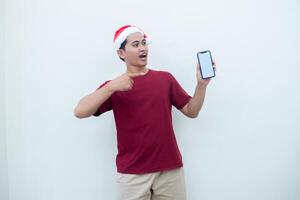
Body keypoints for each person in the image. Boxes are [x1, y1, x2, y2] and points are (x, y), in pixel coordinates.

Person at [74, 25, 216, 200]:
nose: (142, 48)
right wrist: (111, 87)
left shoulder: (165, 79)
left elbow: (191, 111)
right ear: (121, 53)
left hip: (170, 171)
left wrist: (202, 84)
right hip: (132, 175)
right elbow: (80, 111)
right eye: (135, 44)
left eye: (143, 43)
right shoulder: (115, 86)